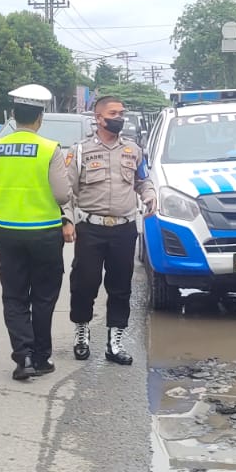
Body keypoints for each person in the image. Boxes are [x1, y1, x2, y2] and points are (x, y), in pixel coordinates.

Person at [0, 84, 74, 382]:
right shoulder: (49, 149)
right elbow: (62, 196)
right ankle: (41, 357)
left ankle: (23, 358)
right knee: (44, 297)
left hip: (7, 233)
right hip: (45, 234)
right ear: (40, 118)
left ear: (12, 115)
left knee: (14, 295)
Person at [69, 94, 157, 365]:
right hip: (90, 229)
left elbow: (143, 180)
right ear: (99, 118)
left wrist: (150, 194)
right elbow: (67, 192)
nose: (120, 118)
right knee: (84, 284)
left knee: (120, 287)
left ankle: (115, 342)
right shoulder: (80, 151)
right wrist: (68, 221)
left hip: (124, 228)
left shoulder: (133, 150)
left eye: (122, 113)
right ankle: (82, 332)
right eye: (114, 113)